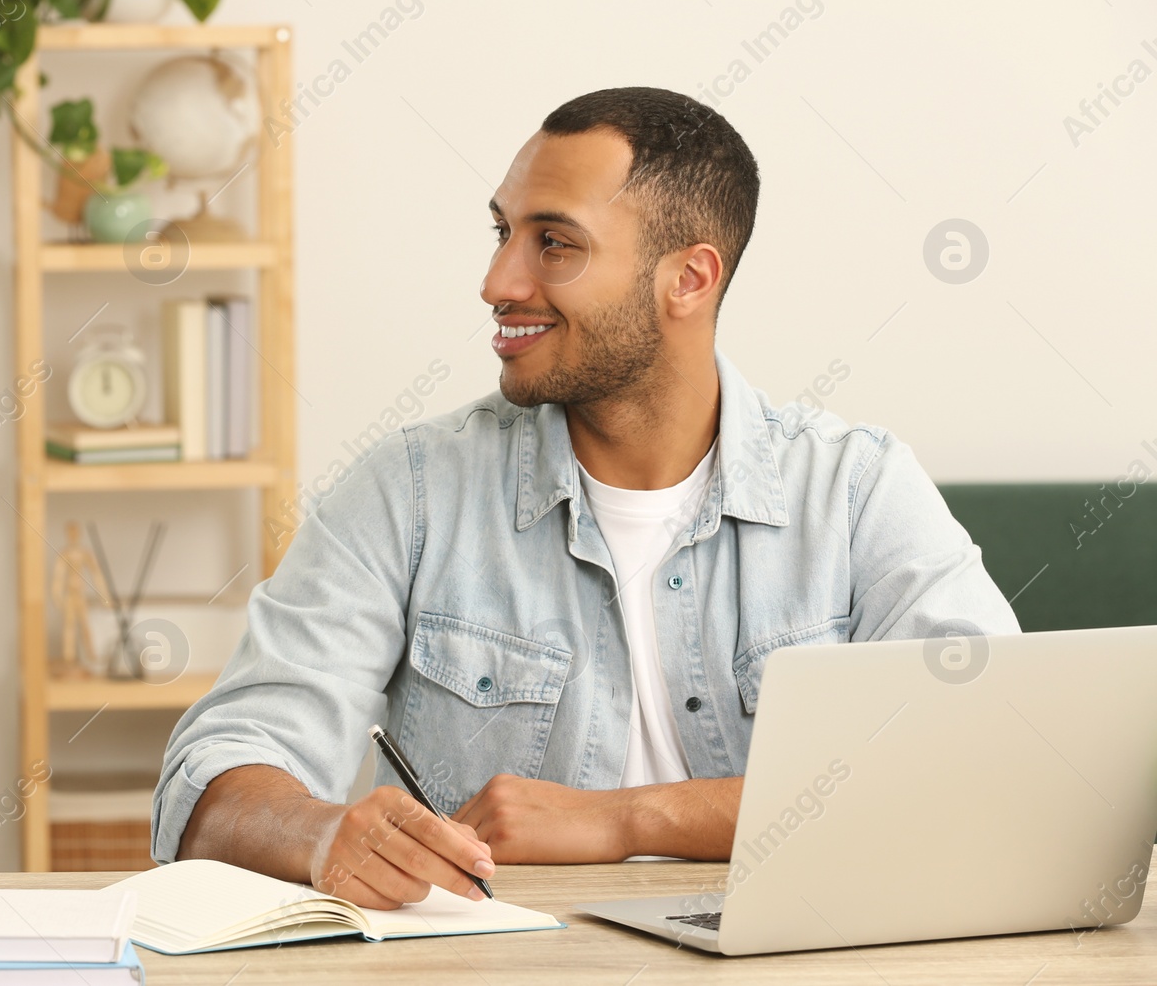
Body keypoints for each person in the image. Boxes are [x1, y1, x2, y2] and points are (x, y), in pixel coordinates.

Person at [151, 87, 1020, 910]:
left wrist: (623, 818)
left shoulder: (854, 488)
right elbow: (216, 773)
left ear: (689, 278)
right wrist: (322, 833)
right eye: (501, 233)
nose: (498, 281)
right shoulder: (409, 490)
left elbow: (989, 755)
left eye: (553, 243)